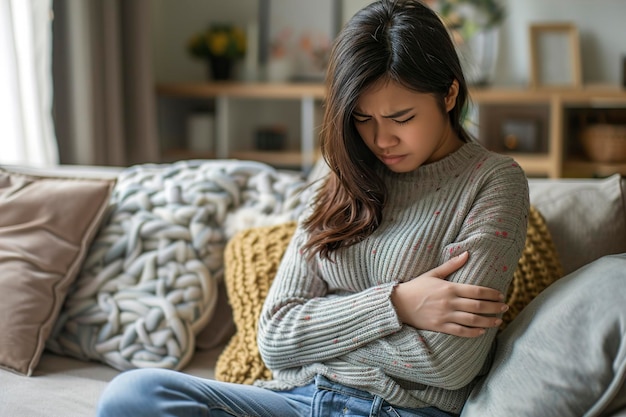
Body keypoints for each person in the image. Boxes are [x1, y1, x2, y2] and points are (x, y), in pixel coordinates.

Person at [95, 1, 529, 416]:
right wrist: (396, 305)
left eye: (401, 117)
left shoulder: (493, 182)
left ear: (449, 94)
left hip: (398, 410)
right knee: (135, 395)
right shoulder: (337, 176)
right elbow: (276, 336)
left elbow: (448, 363)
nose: (381, 140)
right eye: (362, 119)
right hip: (297, 400)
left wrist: (320, 332)